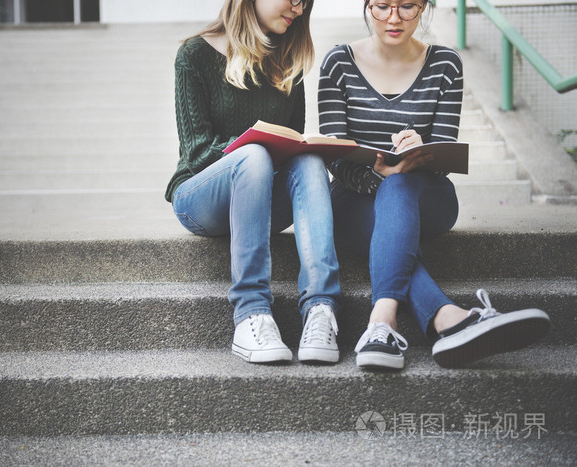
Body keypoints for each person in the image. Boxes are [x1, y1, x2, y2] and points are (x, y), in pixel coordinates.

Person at [318, 0, 550, 369]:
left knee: (399, 186)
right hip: (353, 200)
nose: (394, 18)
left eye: (407, 7)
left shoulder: (445, 64)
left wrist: (420, 147)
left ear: (424, 7)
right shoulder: (338, 63)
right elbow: (332, 155)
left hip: (427, 198)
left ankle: (381, 324)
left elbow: (444, 155)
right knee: (390, 191)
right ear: (367, 6)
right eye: (382, 6)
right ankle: (449, 319)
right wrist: (377, 174)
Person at [166, 0, 342, 364]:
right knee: (254, 155)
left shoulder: (287, 57)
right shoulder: (195, 55)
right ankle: (251, 313)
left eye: (305, 2)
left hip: (262, 199)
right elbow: (197, 153)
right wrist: (254, 147)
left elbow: (293, 142)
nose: (298, 7)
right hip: (201, 198)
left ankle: (321, 311)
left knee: (308, 158)